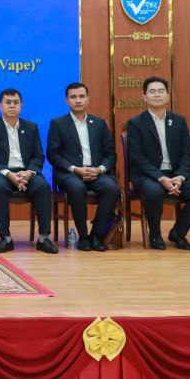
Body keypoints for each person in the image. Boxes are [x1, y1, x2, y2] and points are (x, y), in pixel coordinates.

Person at [124, 77, 190, 250]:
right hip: (149, 175)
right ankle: (155, 235)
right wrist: (161, 178)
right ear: (144, 97)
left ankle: (178, 232)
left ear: (168, 96)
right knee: (154, 192)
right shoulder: (135, 123)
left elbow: (187, 152)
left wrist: (180, 176)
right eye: (152, 92)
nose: (157, 95)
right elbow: (137, 157)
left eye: (161, 91)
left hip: (176, 173)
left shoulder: (179, 121)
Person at [0, 88, 55, 254]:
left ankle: (44, 238)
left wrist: (29, 173)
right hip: (1, 173)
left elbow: (38, 156)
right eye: (8, 102)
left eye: (16, 102)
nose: (12, 106)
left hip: (25, 172)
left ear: (21, 105)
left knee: (42, 186)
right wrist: (9, 174)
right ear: (0, 106)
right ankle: (5, 238)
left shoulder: (31, 127)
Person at [46, 82, 119, 252]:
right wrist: (75, 169)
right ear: (67, 101)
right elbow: (53, 154)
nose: (78, 100)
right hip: (70, 174)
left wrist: (100, 169)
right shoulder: (58, 124)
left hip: (96, 173)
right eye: (73, 97)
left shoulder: (99, 123)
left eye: (81, 96)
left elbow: (110, 154)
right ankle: (84, 236)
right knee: (77, 188)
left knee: (112, 188)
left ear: (88, 99)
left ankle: (96, 235)